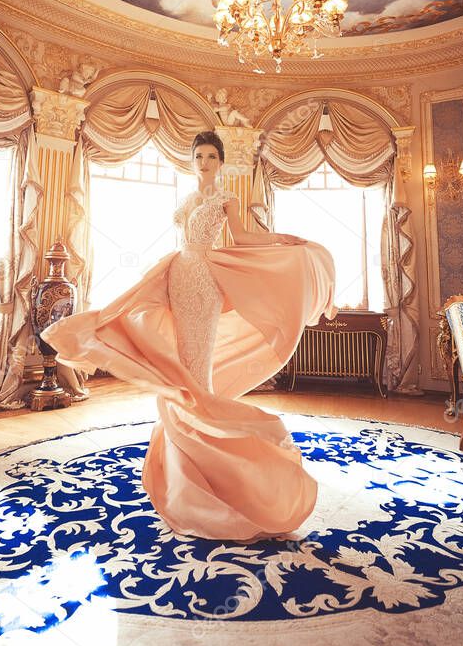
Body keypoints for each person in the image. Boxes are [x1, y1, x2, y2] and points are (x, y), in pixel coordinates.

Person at [43, 131, 336, 541]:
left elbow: (245, 238)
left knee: (195, 367)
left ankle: (212, 465)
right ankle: (188, 466)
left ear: (220, 161)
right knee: (177, 360)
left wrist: (280, 238)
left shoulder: (225, 199)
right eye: (198, 155)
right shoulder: (187, 199)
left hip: (202, 280)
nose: (203, 162)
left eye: (211, 156)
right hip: (178, 274)